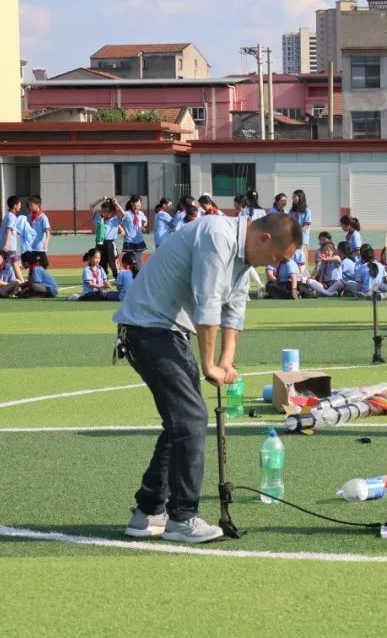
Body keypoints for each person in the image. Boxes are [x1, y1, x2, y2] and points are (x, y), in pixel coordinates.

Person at [116, 212, 300, 543]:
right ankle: (181, 519)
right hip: (148, 329)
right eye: (275, 258)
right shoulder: (218, 235)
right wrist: (209, 364)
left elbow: (235, 310)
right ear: (264, 239)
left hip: (169, 331)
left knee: (182, 424)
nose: (269, 265)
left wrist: (226, 361)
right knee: (191, 420)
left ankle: (147, 512)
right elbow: (208, 302)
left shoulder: (244, 259)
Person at [91, 197, 125, 278]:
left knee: (112, 262)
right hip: (99, 243)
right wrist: (99, 200)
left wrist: (116, 203)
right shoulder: (98, 217)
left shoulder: (115, 220)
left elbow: (123, 214)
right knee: (101, 262)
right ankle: (103, 278)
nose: (104, 213)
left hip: (110, 244)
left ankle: (117, 277)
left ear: (112, 212)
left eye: (107, 211)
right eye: (103, 211)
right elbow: (91, 207)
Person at [0, 195, 24, 282]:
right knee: (6, 265)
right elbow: (8, 230)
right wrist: (7, 244)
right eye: (19, 204)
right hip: (8, 246)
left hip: (9, 246)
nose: (20, 206)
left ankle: (22, 282)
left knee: (15, 263)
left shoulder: (9, 216)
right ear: (15, 205)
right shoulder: (11, 216)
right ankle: (2, 282)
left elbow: (11, 230)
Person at [27, 196, 52, 268]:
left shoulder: (43, 217)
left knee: (43, 265)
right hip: (30, 246)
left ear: (38, 205)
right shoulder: (29, 216)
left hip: (39, 247)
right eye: (29, 205)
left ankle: (41, 277)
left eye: (31, 205)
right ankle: (32, 278)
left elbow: (47, 231)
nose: (30, 207)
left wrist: (46, 242)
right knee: (32, 265)